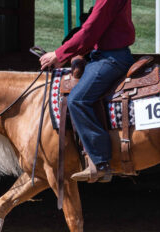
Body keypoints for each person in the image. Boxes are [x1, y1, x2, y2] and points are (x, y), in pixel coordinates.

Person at [40, 0, 135, 182]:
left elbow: (91, 30)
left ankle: (100, 162)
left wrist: (59, 54)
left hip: (111, 58)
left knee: (77, 100)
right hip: (105, 55)